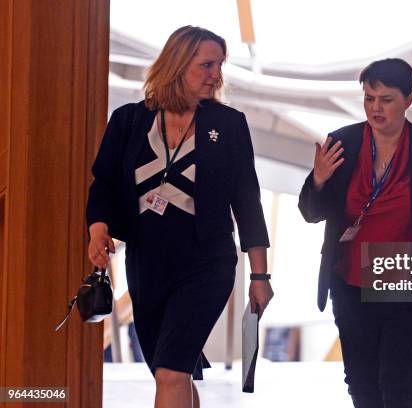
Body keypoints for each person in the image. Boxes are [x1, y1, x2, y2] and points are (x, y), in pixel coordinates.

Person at [86, 26, 273, 408]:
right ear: (176, 63)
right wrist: (98, 230)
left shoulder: (229, 124)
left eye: (219, 65)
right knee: (171, 372)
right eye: (206, 64)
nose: (216, 75)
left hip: (207, 263)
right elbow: (102, 183)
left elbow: (248, 202)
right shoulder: (128, 121)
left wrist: (260, 276)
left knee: (172, 373)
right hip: (146, 264)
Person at [298, 58, 412, 408]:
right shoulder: (343, 143)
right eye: (369, 98)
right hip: (351, 285)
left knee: (400, 387)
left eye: (386, 99)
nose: (375, 107)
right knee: (361, 385)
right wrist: (319, 181)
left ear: (408, 100)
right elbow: (311, 213)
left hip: (409, 289)